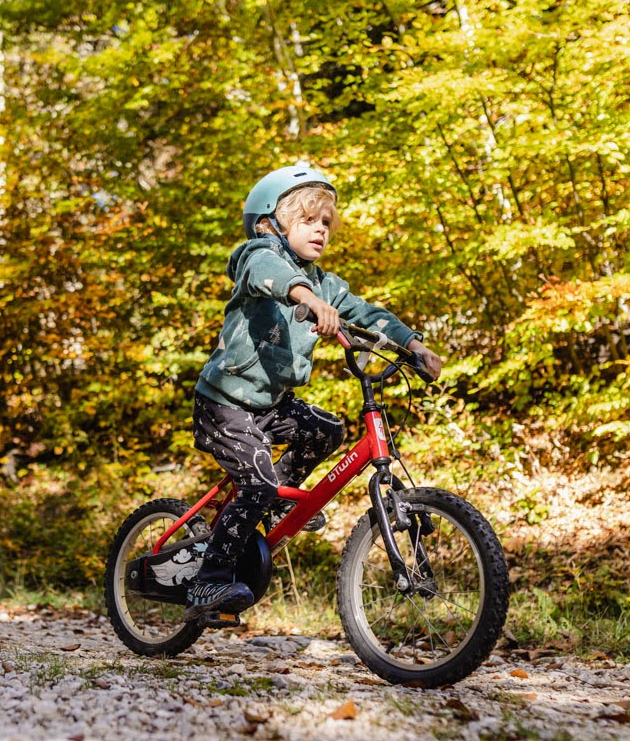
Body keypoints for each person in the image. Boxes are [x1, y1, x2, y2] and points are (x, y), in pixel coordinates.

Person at [187, 165, 445, 621]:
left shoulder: (324, 283)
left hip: (271, 406)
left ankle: (273, 502)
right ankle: (208, 584)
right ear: (272, 223)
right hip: (223, 404)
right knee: (258, 481)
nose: (321, 230)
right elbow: (267, 272)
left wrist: (412, 343)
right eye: (308, 220)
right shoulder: (257, 254)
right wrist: (305, 298)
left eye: (326, 223)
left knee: (327, 430)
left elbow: (366, 312)